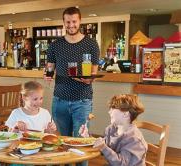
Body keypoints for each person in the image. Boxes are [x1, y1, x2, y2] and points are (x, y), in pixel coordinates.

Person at [44, 7, 100, 137]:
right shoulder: (55, 45)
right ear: (64, 22)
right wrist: (47, 74)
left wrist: (90, 79)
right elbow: (50, 67)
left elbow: (94, 72)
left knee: (80, 141)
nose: (71, 25)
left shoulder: (91, 44)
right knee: (60, 141)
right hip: (59, 100)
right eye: (68, 22)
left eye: (74, 21)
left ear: (80, 21)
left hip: (82, 100)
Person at [93, 94, 148, 166]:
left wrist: (103, 147)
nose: (109, 112)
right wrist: (87, 136)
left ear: (125, 114)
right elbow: (104, 147)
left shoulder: (134, 139)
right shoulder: (111, 129)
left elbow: (121, 164)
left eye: (113, 109)